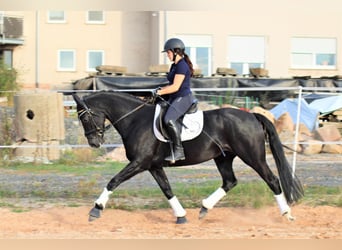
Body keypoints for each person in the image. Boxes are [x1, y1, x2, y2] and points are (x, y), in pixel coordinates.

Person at [156, 38, 195, 162]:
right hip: (175, 97)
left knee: (169, 119)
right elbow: (170, 84)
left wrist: (160, 92)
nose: (167, 55)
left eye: (168, 52)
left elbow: (175, 87)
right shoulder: (174, 65)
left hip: (183, 98)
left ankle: (179, 151)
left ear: (176, 52)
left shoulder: (182, 66)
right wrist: (160, 89)